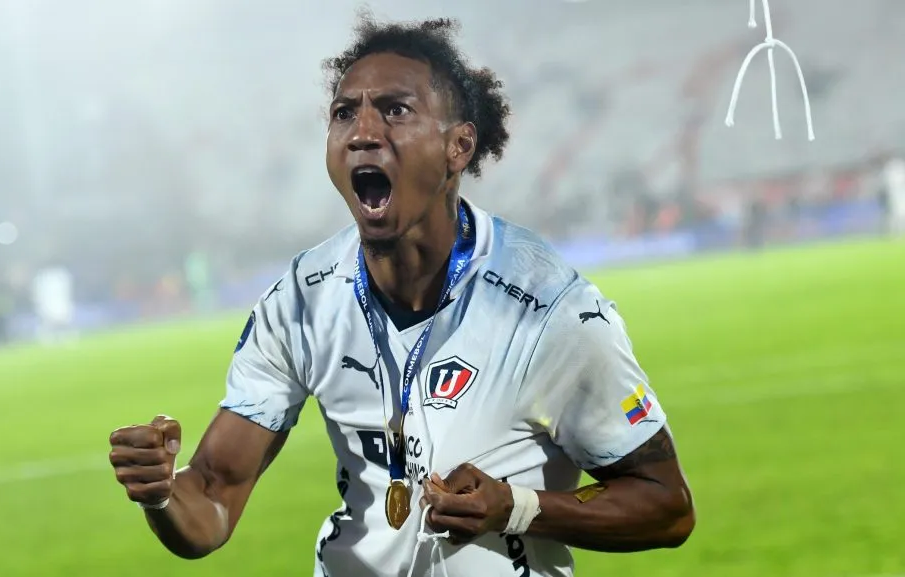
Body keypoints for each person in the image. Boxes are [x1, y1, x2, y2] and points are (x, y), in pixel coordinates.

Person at [108, 15, 695, 577]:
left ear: (458, 147)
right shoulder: (301, 301)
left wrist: (517, 507)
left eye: (395, 110)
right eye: (344, 113)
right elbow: (212, 496)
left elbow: (665, 503)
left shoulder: (549, 311)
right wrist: (161, 494)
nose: (363, 132)